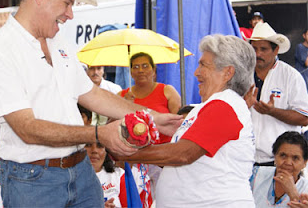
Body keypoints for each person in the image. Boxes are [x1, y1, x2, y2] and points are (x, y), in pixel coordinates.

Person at [0, 0, 181, 207]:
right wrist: (98, 133)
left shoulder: (58, 42)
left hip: (81, 172)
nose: (70, 14)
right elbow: (26, 129)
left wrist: (154, 117)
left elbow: (93, 95)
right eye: (67, 3)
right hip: (32, 181)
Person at [117, 34, 257, 207]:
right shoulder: (204, 108)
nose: (196, 72)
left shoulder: (225, 105)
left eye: (203, 65)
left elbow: (183, 154)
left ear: (227, 72)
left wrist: (127, 153)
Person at [245, 22, 308, 166]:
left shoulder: (291, 76)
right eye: (254, 48)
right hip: (245, 159)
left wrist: (272, 111)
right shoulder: (242, 74)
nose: (258, 54)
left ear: (276, 50)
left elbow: (304, 118)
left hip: (281, 162)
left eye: (263, 49)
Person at [119, 52, 181, 144]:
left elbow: (179, 123)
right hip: (133, 152)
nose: (140, 70)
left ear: (153, 70)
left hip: (165, 150)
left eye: (145, 66)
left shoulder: (168, 91)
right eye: (136, 67)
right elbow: (113, 126)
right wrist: (125, 104)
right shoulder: (122, 95)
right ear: (131, 73)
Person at [250, 131, 308, 207]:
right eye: (283, 155)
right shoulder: (255, 175)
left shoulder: (306, 189)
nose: (288, 162)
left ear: (304, 163)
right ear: (275, 157)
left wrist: (293, 194)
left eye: (295, 158)